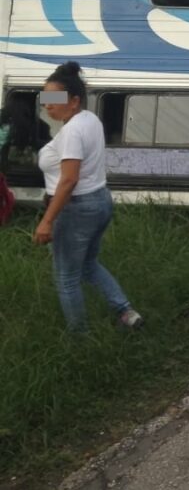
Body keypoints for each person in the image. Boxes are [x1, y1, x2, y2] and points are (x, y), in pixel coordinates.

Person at [33, 62, 143, 332]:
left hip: (76, 208)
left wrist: (47, 220)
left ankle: (79, 338)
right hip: (99, 201)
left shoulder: (71, 132)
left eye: (54, 99)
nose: (48, 105)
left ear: (74, 100)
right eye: (44, 99)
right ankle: (125, 312)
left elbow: (69, 179)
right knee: (88, 265)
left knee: (66, 278)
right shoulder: (90, 120)